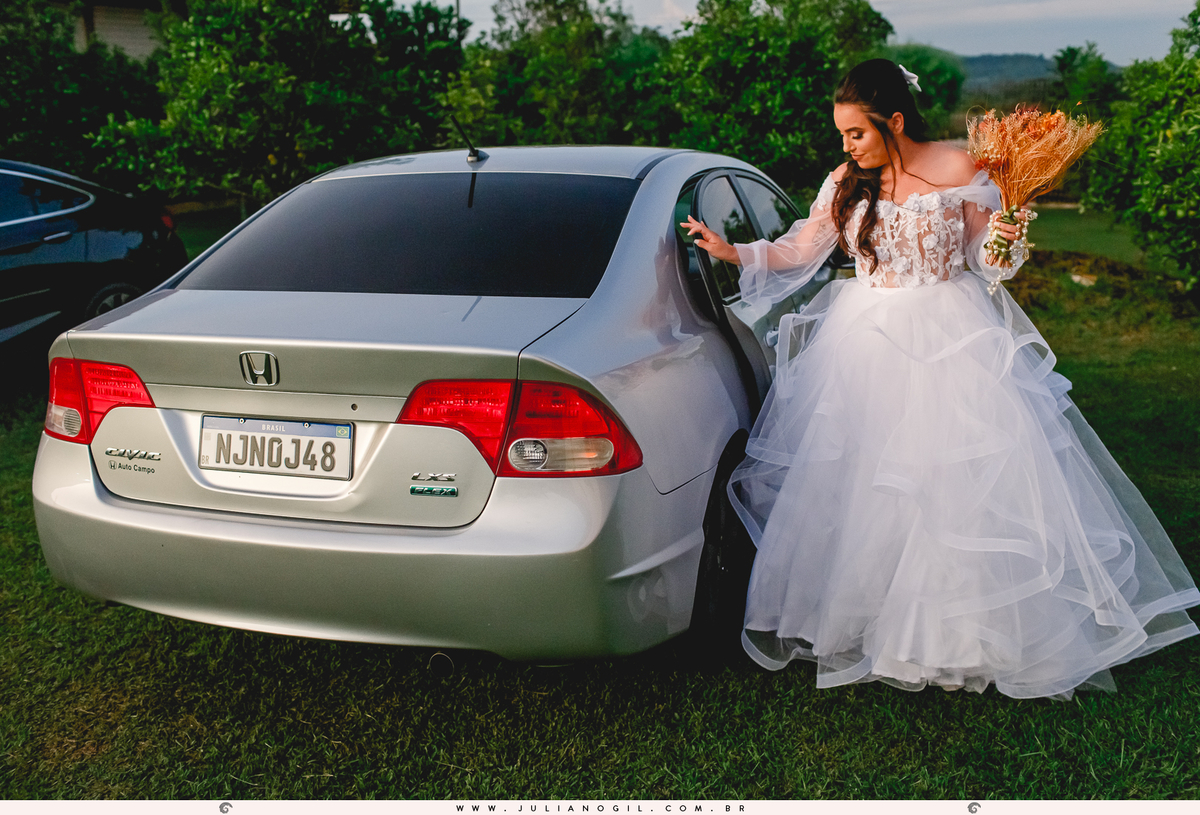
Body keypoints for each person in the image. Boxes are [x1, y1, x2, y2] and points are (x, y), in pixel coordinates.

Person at [681, 59, 1199, 700]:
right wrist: (736, 252)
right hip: (863, 338)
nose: (845, 147)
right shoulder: (845, 181)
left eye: (857, 134)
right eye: (842, 135)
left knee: (947, 485)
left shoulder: (962, 170)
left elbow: (990, 264)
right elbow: (803, 246)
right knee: (862, 484)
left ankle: (957, 636)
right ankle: (864, 619)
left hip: (949, 334)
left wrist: (1007, 241)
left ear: (895, 121)